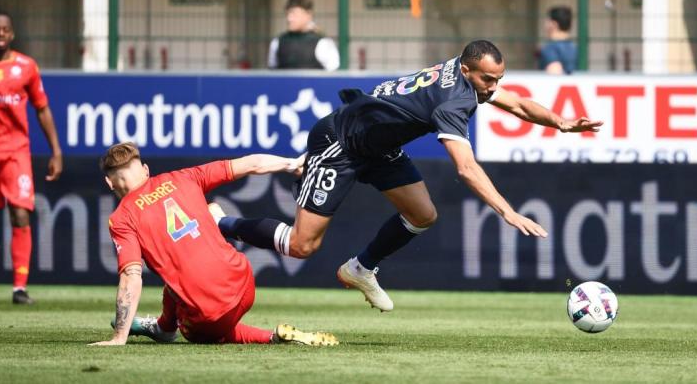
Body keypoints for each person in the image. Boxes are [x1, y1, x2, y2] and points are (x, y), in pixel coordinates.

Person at [215, 40, 602, 312]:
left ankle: (361, 269)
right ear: (467, 70)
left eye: (498, 78)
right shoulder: (454, 99)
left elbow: (515, 102)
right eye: (488, 80)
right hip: (341, 143)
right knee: (302, 246)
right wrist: (509, 213)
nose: (494, 87)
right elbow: (466, 169)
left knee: (423, 215)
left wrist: (562, 123)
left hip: (379, 146)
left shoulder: (462, 73)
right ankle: (223, 222)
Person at [90, 142, 337, 346]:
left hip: (211, 314)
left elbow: (131, 276)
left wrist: (119, 337)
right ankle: (161, 326)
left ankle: (271, 336)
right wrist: (290, 163)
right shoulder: (183, 177)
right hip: (244, 283)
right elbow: (250, 164)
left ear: (110, 183)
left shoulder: (122, 218)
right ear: (145, 170)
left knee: (200, 330)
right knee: (177, 279)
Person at [0, 11, 63, 305]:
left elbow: (42, 108)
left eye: (5, 30)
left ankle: (19, 288)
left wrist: (56, 151)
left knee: (20, 214)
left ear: (12, 34)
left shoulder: (26, 67)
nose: (0, 34)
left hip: (16, 150)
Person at [267, 0, 340, 71]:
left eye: (294, 14)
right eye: (288, 14)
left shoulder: (323, 43)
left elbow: (333, 75)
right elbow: (272, 71)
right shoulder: (277, 42)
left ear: (308, 15)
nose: (289, 19)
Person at [539, 6, 577, 74]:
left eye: (547, 21)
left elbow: (554, 74)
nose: (545, 25)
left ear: (553, 24)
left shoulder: (551, 49)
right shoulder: (576, 48)